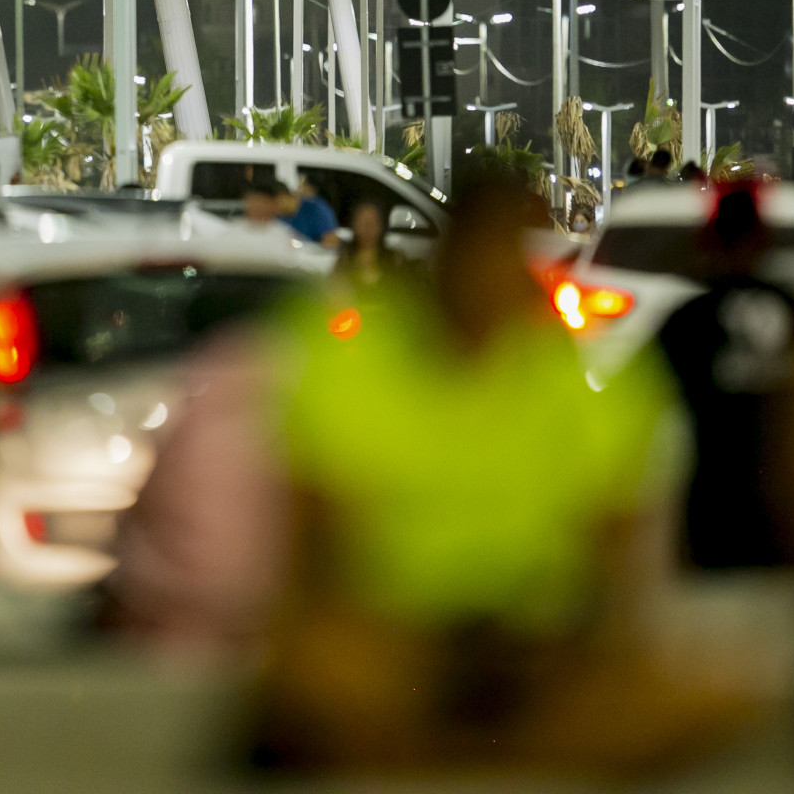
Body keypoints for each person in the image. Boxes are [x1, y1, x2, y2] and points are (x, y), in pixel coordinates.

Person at [258, 161, 745, 772]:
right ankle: (499, 747)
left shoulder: (570, 369)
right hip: (401, 645)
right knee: (320, 678)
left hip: (536, 646)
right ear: (450, 252)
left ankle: (448, 748)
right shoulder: (349, 359)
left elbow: (619, 548)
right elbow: (315, 550)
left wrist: (597, 649)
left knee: (724, 691)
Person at [654, 182, 794, 569]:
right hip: (788, 507)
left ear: (710, 240)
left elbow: (652, 414)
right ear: (764, 239)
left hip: (711, 505)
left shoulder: (685, 321)